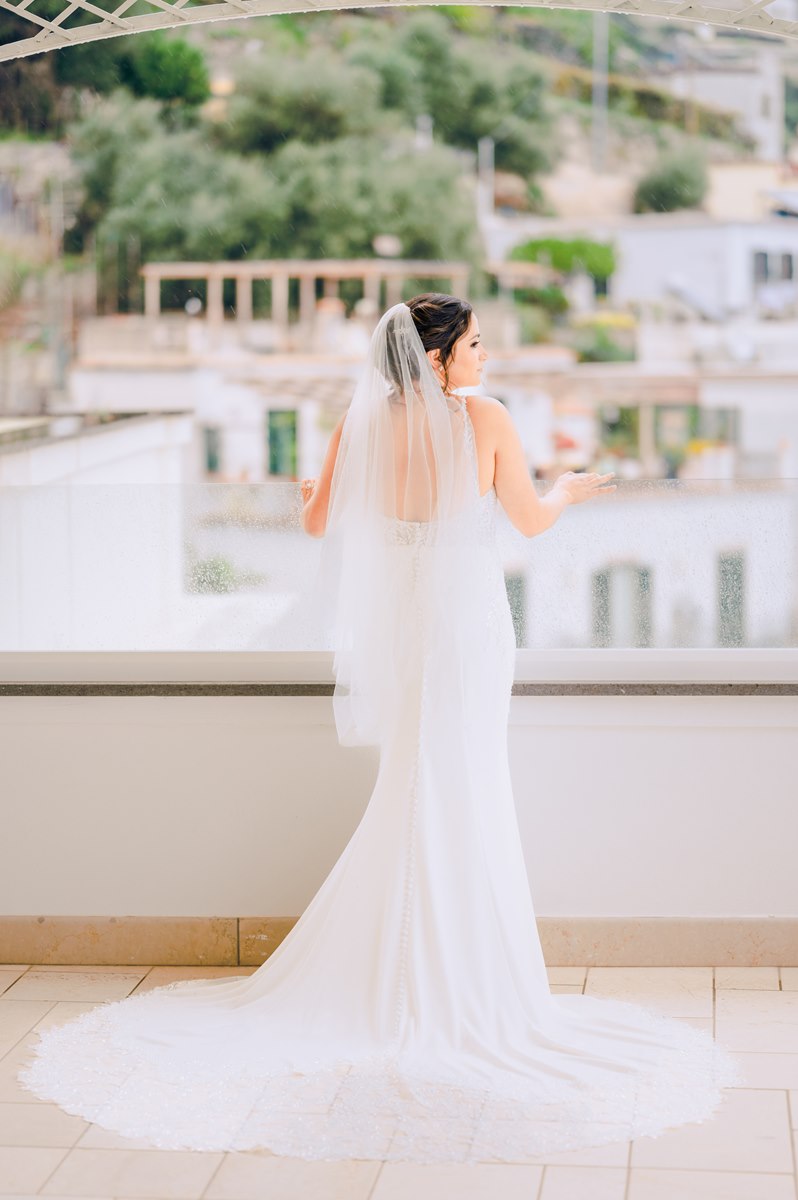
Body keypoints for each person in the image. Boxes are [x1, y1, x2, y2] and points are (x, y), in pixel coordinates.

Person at [17, 295, 741, 1164]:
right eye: (473, 345)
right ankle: (468, 983)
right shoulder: (487, 420)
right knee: (463, 782)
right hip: (467, 622)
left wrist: (313, 491)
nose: (484, 357)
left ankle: (396, 976)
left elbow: (320, 520)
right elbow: (530, 520)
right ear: (436, 360)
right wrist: (568, 489)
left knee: (415, 778)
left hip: (401, 624)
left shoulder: (360, 424)